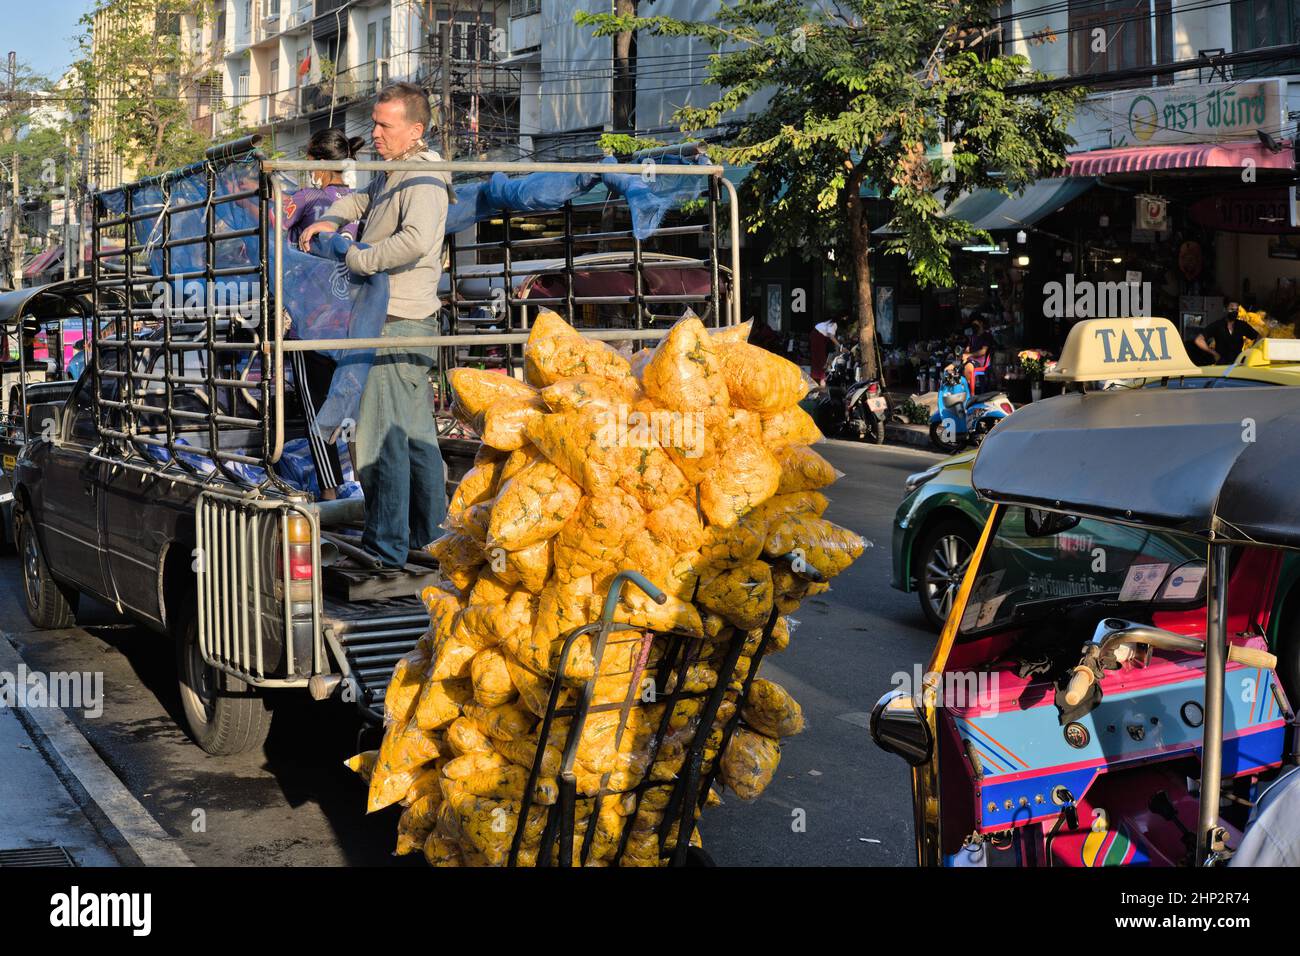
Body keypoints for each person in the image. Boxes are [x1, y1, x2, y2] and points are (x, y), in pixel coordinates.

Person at [298, 83, 451, 568]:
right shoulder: (393, 172)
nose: (376, 134)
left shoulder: (424, 178)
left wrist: (359, 259)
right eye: (376, 123)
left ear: (415, 130)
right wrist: (332, 217)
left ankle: (386, 547)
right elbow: (363, 201)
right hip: (399, 319)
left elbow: (415, 241)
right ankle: (431, 542)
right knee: (415, 438)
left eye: (386, 125)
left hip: (397, 320)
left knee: (381, 439)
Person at [285, 128, 366, 499]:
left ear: (317, 163)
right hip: (353, 317)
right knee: (352, 408)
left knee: (316, 409)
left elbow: (272, 230)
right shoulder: (360, 200)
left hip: (310, 321)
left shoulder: (306, 197)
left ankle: (331, 495)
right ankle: (366, 488)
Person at [1194, 300, 1257, 366]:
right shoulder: (1217, 325)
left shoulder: (1242, 325)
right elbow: (1198, 340)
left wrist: (1251, 352)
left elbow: (1258, 336)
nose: (1234, 312)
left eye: (1236, 310)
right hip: (1221, 365)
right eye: (1232, 309)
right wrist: (1213, 353)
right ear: (1225, 309)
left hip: (1238, 365)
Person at [961, 317, 995, 395]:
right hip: (971, 359)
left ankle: (970, 394)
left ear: (981, 323)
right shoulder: (973, 336)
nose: (974, 325)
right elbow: (967, 349)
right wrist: (964, 354)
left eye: (976, 323)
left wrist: (969, 355)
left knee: (968, 367)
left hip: (981, 360)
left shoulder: (987, 336)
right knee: (953, 367)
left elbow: (983, 351)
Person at [810, 316, 842, 385]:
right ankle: (820, 379)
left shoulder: (830, 323)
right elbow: (831, 336)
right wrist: (840, 346)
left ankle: (819, 378)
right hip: (818, 337)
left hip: (818, 336)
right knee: (820, 359)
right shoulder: (833, 324)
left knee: (819, 359)